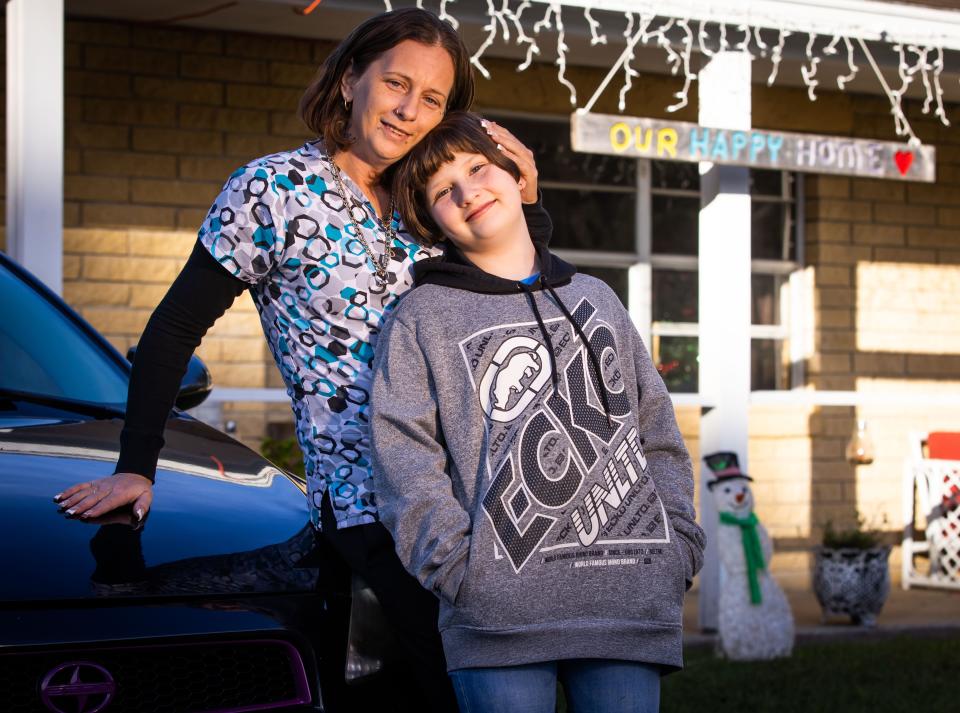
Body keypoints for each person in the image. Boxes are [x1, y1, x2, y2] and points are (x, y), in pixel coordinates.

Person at [53, 8, 551, 711]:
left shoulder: (432, 198)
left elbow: (519, 306)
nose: (410, 111)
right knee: (457, 687)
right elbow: (171, 331)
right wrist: (138, 464)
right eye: (396, 84)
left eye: (432, 99)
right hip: (368, 504)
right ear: (351, 79)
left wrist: (527, 205)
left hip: (482, 489)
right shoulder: (272, 191)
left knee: (514, 681)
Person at [370, 111, 705, 713]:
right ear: (432, 219)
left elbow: (656, 431)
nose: (468, 192)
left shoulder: (596, 297)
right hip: (497, 620)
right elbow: (403, 457)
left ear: (515, 175)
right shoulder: (422, 316)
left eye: (477, 168)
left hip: (626, 602)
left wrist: (677, 544)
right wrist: (456, 571)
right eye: (444, 191)